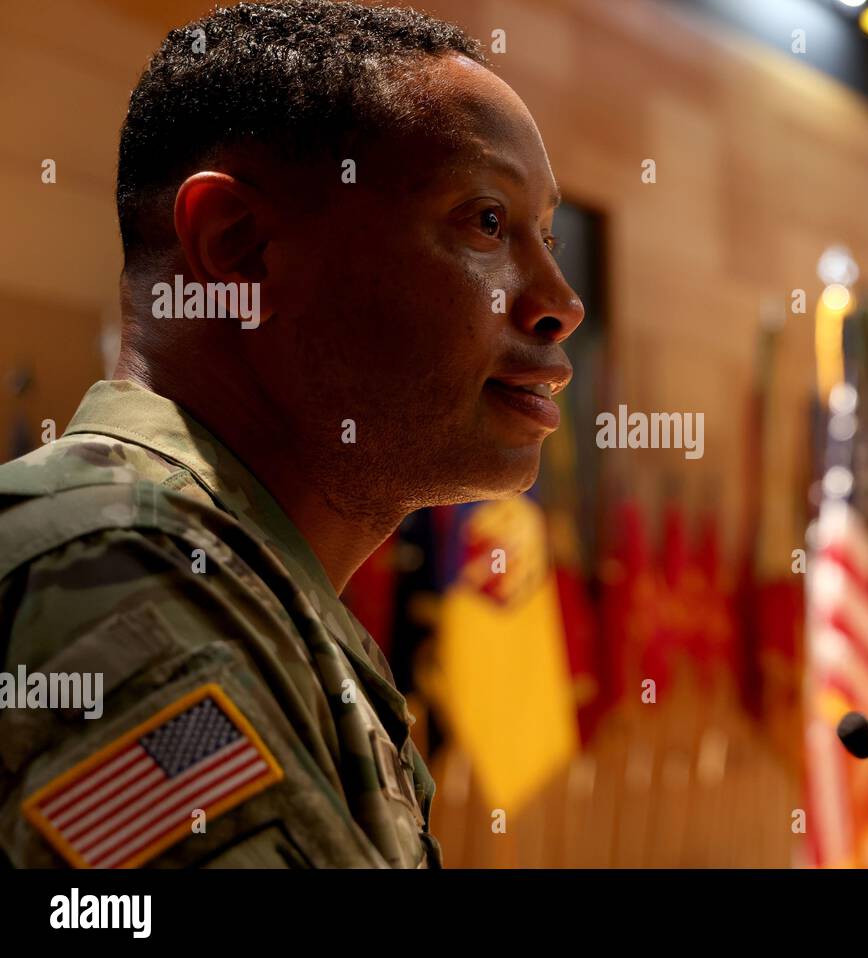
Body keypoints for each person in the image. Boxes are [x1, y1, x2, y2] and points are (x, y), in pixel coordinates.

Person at [0, 0, 583, 869]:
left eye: (546, 234)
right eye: (487, 222)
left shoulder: (250, 583)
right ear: (237, 250)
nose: (561, 305)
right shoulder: (118, 573)